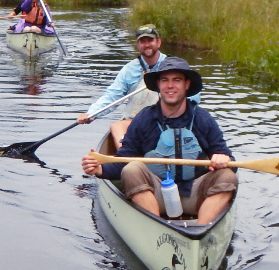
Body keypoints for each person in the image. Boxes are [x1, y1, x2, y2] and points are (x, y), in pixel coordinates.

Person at [81, 57, 236, 224]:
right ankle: (156, 228)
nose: (170, 86)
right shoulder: (144, 119)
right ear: (159, 86)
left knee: (227, 175)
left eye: (177, 80)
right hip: (155, 194)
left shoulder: (203, 119)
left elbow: (228, 158)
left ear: (187, 84)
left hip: (195, 194)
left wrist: (223, 159)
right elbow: (123, 161)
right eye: (165, 80)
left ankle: (201, 231)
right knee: (132, 169)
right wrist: (98, 169)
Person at [76, 23, 199, 147]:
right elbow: (112, 96)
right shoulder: (129, 70)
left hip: (168, 120)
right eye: (142, 41)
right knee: (116, 127)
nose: (147, 45)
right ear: (138, 45)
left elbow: (193, 98)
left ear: (158, 42)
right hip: (135, 121)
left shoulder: (174, 66)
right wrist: (91, 114)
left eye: (150, 40)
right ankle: (126, 157)